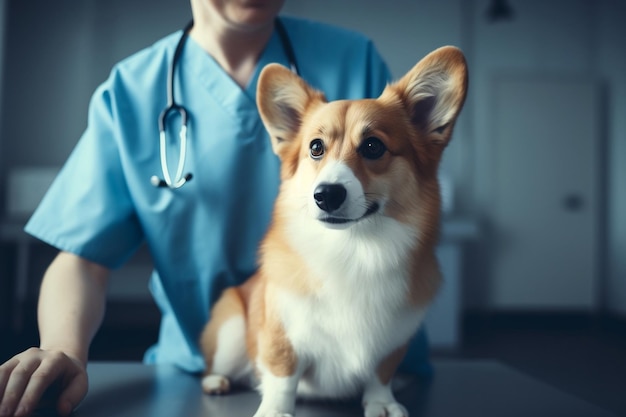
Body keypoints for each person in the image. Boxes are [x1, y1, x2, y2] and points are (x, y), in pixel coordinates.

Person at [0, 1, 432, 416]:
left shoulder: (353, 58)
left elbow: (408, 186)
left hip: (376, 369)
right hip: (203, 368)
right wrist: (62, 348)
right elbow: (81, 258)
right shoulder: (132, 92)